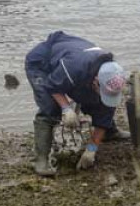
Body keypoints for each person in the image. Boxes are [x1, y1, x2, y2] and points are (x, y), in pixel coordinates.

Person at [25, 31, 131, 177]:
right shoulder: (75, 67)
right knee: (50, 107)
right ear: (95, 81)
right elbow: (53, 86)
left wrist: (92, 149)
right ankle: (40, 160)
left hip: (77, 66)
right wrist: (66, 108)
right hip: (42, 64)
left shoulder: (113, 74)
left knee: (99, 101)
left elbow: (108, 107)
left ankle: (110, 132)